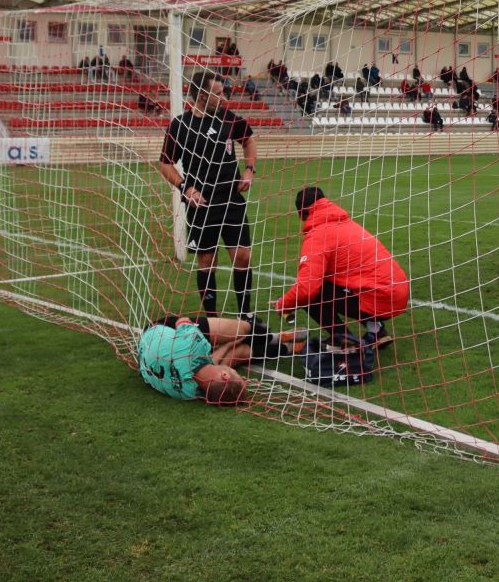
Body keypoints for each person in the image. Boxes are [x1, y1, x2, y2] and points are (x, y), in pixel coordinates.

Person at [159, 71, 257, 318]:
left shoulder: (227, 118)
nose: (223, 97)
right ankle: (213, 320)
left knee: (243, 256)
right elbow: (165, 164)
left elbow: (249, 139)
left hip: (231, 198)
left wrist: (248, 170)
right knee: (206, 263)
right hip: (201, 204)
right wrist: (186, 188)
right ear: (202, 96)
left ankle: (246, 314)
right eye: (218, 93)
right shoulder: (179, 126)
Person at [272, 187, 410, 350]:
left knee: (312, 294)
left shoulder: (318, 234)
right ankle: (377, 331)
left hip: (379, 297)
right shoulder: (346, 222)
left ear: (301, 215)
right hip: (396, 292)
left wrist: (283, 304)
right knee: (332, 282)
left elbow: (306, 289)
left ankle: (343, 339)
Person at [138, 315, 304, 405]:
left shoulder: (193, 345)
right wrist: (229, 345)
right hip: (146, 358)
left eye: (238, 376)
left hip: (159, 330)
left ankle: (273, 337)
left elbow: (180, 320)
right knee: (237, 354)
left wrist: (231, 340)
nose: (236, 373)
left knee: (240, 330)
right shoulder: (191, 392)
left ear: (225, 376)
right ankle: (285, 346)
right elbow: (209, 364)